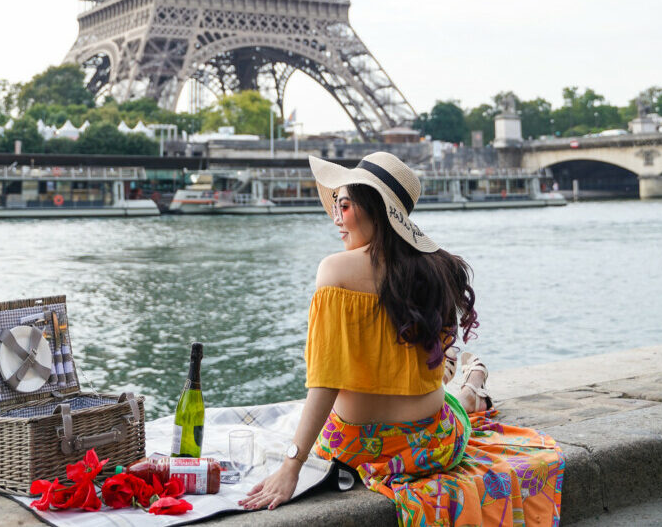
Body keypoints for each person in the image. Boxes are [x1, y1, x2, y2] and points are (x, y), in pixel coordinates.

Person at [239, 152, 564, 525]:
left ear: (374, 209)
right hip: (433, 445)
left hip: (357, 449)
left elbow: (325, 381)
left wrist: (292, 465)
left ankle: (472, 382)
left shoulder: (334, 271)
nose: (336, 218)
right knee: (451, 399)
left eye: (344, 206)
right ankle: (471, 380)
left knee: (449, 392)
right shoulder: (435, 267)